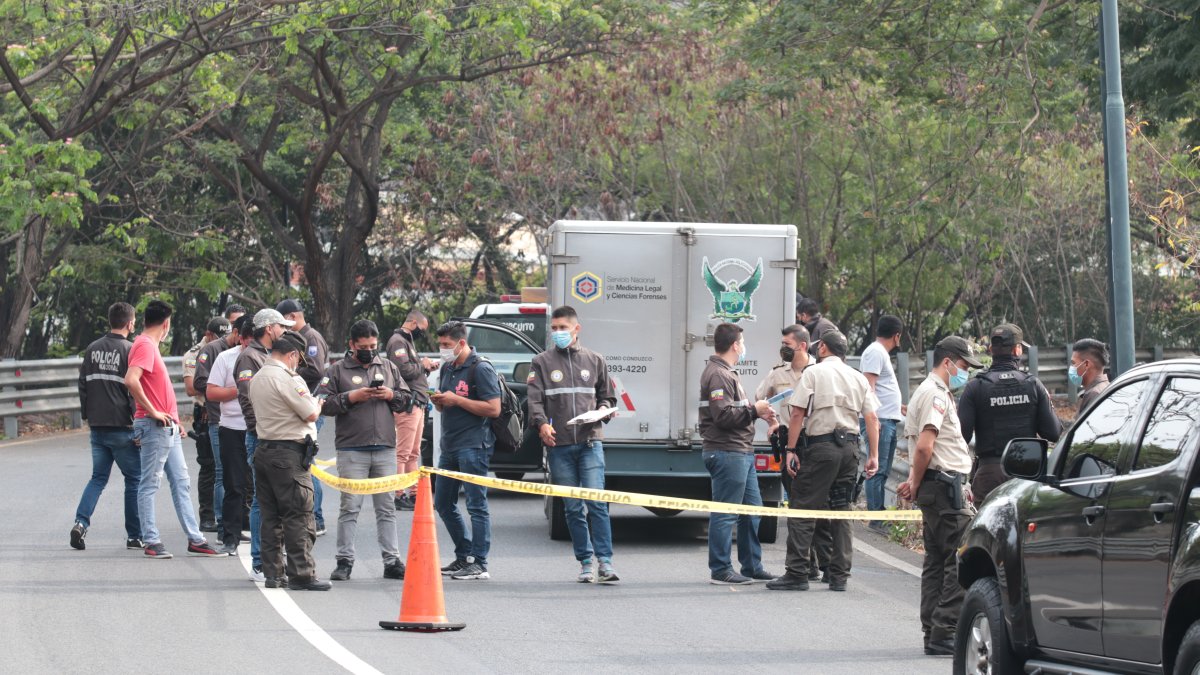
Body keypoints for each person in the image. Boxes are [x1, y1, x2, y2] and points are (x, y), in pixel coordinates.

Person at [767, 330, 878, 592]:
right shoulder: (858, 378)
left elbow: (797, 413)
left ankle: (797, 572)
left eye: (819, 347)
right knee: (841, 511)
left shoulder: (813, 373)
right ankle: (838, 576)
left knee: (803, 508)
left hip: (821, 448)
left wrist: (791, 449)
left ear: (825, 348)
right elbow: (872, 419)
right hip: (850, 450)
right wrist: (873, 456)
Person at [896, 336, 982, 656]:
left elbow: (921, 448)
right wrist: (915, 482)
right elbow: (924, 446)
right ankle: (945, 631)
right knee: (960, 559)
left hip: (935, 486)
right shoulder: (936, 395)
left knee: (936, 561)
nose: (965, 373)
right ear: (947, 363)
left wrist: (915, 481)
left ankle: (933, 630)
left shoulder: (924, 391)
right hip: (945, 488)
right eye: (963, 367)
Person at [527, 305, 620, 583]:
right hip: (559, 446)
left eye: (562, 328)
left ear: (576, 329)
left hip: (591, 443)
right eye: (554, 329)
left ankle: (605, 562)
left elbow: (608, 397)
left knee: (596, 503)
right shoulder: (541, 362)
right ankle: (584, 563)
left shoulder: (595, 360)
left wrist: (605, 409)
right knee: (572, 507)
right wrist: (542, 424)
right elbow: (534, 400)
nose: (558, 333)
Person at [125, 299, 222, 559]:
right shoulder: (145, 345)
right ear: (166, 324)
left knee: (181, 482)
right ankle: (151, 540)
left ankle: (196, 538)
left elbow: (156, 388)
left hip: (168, 426)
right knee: (150, 483)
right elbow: (131, 380)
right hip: (154, 424)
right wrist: (154, 411)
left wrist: (176, 419)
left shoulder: (150, 345)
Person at [319, 319, 413, 582]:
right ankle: (344, 561)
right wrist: (352, 397)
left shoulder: (389, 367)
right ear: (351, 345)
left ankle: (392, 560)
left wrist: (390, 396)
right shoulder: (337, 370)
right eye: (364, 346)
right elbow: (323, 404)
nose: (369, 350)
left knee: (387, 507)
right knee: (350, 507)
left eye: (373, 346)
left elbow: (407, 400)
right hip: (352, 448)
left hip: (384, 447)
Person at [249, 330, 331, 591]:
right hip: (288, 454)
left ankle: (274, 574)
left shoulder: (259, 376)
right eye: (298, 359)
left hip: (264, 450)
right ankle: (302, 574)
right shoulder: (286, 378)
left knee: (270, 517)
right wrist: (317, 403)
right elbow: (309, 413)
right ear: (292, 354)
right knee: (298, 515)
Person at [699, 322, 778, 585]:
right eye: (742, 343)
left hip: (741, 451)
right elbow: (722, 415)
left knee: (752, 510)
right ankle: (720, 569)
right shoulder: (719, 375)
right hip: (727, 451)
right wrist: (754, 410)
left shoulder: (728, 373)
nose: (744, 347)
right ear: (735, 345)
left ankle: (751, 565)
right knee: (726, 513)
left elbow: (734, 410)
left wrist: (758, 411)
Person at [756, 324, 830, 581]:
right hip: (790, 444)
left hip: (817, 443)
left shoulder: (820, 372)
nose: (782, 349)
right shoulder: (778, 374)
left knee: (819, 506)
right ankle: (806, 564)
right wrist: (773, 422)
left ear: (801, 345)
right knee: (797, 503)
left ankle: (826, 564)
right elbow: (759, 400)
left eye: (787, 344)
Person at [958, 323, 1061, 503]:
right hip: (1027, 474)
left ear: (990, 349)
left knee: (986, 528)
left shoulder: (975, 387)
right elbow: (1053, 432)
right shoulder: (1033, 385)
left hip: (989, 474)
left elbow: (961, 437)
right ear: (1018, 350)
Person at [432, 320, 501, 581]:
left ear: (462, 343)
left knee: (476, 505)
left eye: (447, 345)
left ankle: (480, 562)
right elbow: (446, 406)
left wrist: (456, 400)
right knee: (442, 503)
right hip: (449, 445)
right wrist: (440, 402)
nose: (442, 350)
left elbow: (493, 408)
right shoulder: (448, 367)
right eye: (440, 345)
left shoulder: (480, 368)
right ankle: (464, 555)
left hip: (474, 445)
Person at [70, 302, 142, 551]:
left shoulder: (92, 348)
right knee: (134, 479)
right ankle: (134, 535)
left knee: (98, 478)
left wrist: (88, 415)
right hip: (123, 427)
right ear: (130, 323)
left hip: (97, 426)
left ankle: (81, 523)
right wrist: (138, 424)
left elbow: (83, 384)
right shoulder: (130, 350)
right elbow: (133, 391)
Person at [235, 308, 294, 581]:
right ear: (270, 328)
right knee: (262, 499)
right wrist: (261, 430)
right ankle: (259, 561)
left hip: (277, 436)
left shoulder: (270, 356)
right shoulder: (250, 357)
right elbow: (249, 401)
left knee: (274, 500)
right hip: (260, 435)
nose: (285, 330)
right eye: (282, 326)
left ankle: (271, 558)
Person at [277, 298, 329, 535]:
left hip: (311, 403)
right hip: (301, 404)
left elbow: (316, 370)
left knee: (308, 461)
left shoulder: (311, 337)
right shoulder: (301, 338)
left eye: (284, 323)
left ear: (293, 317)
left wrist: (289, 371)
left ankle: (316, 517)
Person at [191, 317, 242, 534]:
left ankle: (235, 521)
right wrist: (228, 388)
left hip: (240, 419)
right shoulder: (212, 350)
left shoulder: (243, 351)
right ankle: (222, 524)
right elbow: (199, 383)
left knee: (236, 473)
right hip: (216, 417)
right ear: (238, 333)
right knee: (220, 472)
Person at [206, 317, 252, 554]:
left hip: (261, 428)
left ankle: (267, 537)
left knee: (262, 485)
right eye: (247, 342)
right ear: (240, 338)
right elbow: (211, 392)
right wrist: (240, 389)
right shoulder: (226, 358)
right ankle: (230, 537)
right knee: (233, 484)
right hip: (232, 427)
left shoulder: (270, 359)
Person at [183, 316, 230, 532]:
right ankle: (208, 516)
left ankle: (227, 512)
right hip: (204, 412)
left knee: (228, 467)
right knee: (209, 466)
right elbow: (192, 387)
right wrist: (218, 385)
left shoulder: (230, 348)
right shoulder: (194, 353)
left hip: (226, 412)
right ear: (208, 334)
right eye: (218, 335)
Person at [858, 314, 905, 528]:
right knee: (876, 469)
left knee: (883, 469)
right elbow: (869, 389)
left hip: (887, 418)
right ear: (897, 336)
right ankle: (876, 519)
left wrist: (899, 407)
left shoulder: (879, 353)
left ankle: (879, 514)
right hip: (880, 421)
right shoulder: (875, 352)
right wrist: (873, 421)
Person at [386, 309, 435, 511]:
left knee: (413, 453)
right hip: (408, 403)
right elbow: (404, 371)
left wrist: (424, 365)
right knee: (403, 453)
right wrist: (423, 365)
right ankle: (398, 494)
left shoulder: (407, 342)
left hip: (418, 403)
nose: (421, 334)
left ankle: (414, 494)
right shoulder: (398, 341)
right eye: (421, 330)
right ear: (413, 323)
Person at [1071, 338, 1111, 412]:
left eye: (1073, 363)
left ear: (1086, 365)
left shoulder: (1094, 395)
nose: (1071, 368)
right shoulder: (1106, 387)